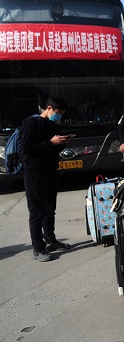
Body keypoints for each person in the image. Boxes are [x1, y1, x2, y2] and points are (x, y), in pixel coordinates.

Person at [22, 96, 72, 262]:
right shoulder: (32, 123)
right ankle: (38, 248)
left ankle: (51, 240)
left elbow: (52, 148)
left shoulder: (51, 124)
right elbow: (27, 148)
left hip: (50, 170)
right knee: (36, 211)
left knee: (50, 209)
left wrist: (63, 142)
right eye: (58, 112)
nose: (59, 116)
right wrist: (51, 142)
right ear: (49, 108)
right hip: (34, 173)